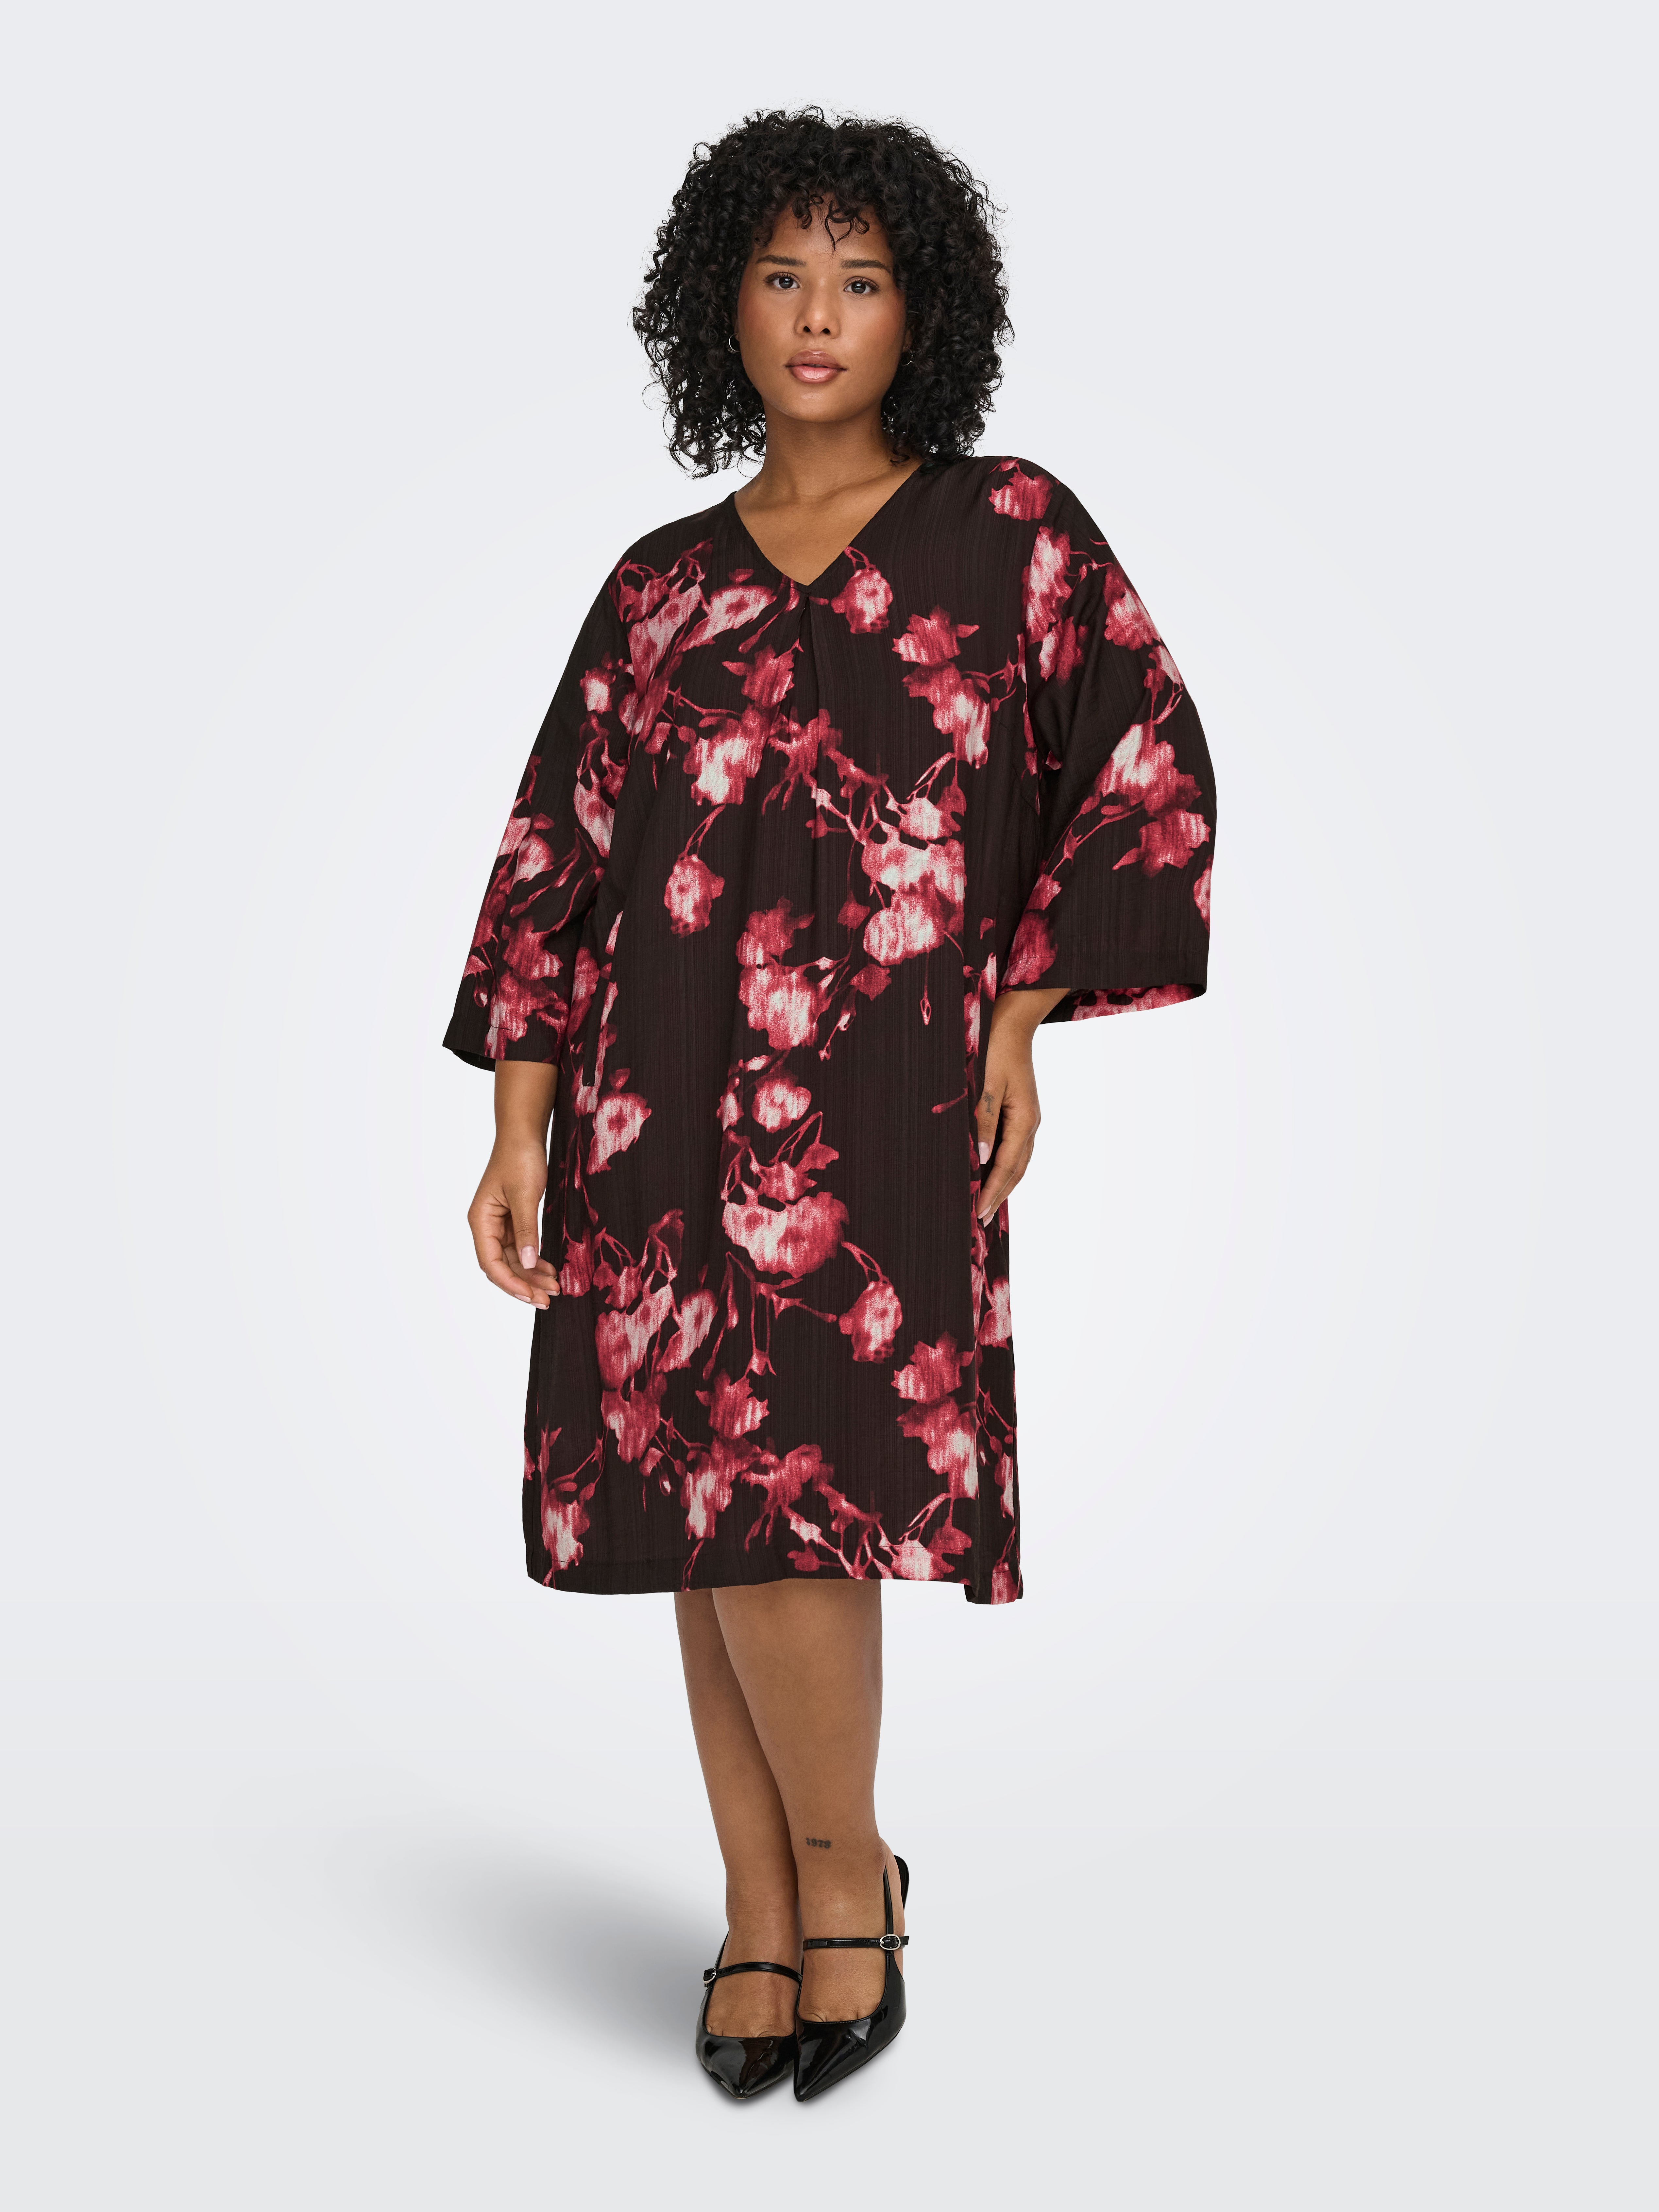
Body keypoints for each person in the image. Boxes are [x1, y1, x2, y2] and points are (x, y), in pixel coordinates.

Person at [444, 108, 1215, 2101]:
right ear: (717, 305)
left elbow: (1141, 766)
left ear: (917, 313)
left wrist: (1017, 1015)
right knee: (697, 1506)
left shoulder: (1009, 530)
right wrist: (521, 1120)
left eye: (859, 282)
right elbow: (554, 857)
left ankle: (847, 1872)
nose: (815, 316)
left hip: (879, 1091)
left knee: (802, 1493)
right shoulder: (655, 588)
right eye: (780, 276)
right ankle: (759, 1907)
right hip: (648, 1097)